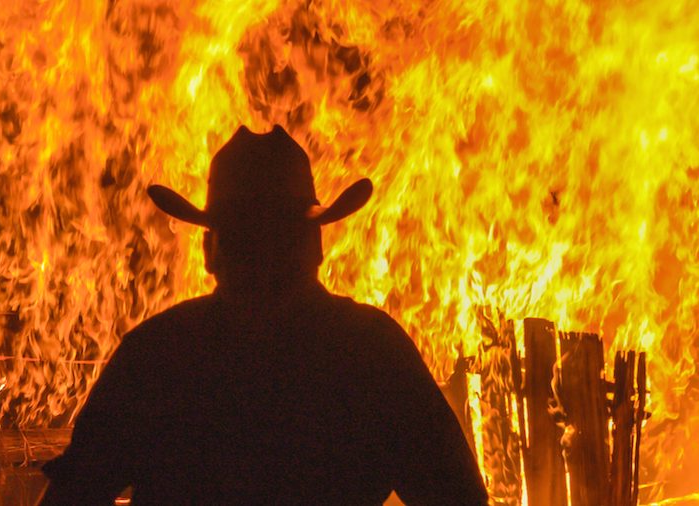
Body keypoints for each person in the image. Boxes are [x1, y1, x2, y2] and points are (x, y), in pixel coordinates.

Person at [39, 126, 487, 504]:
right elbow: (457, 496)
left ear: (210, 250)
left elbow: (72, 495)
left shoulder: (156, 355)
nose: (262, 258)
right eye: (250, 239)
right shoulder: (372, 351)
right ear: (315, 246)